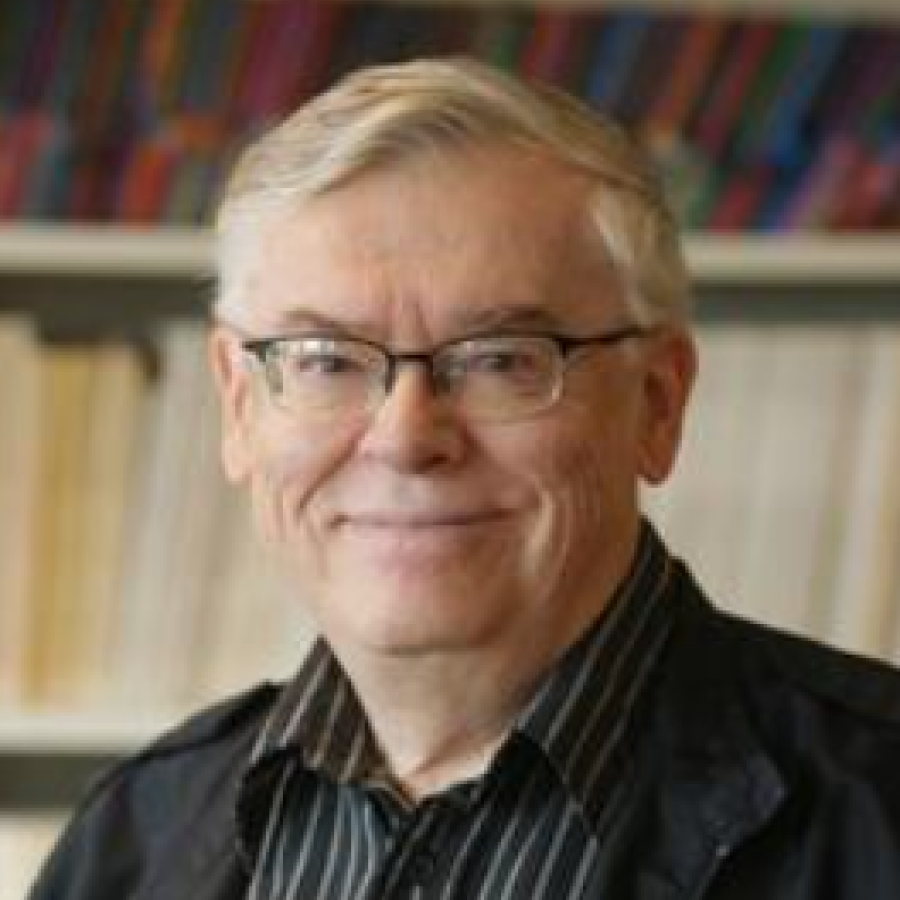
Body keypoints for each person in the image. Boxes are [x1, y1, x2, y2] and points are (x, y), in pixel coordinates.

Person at [30, 57, 900, 899]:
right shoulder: (130, 842)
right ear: (237, 406)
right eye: (327, 360)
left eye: (500, 360)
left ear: (658, 404)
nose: (406, 437)